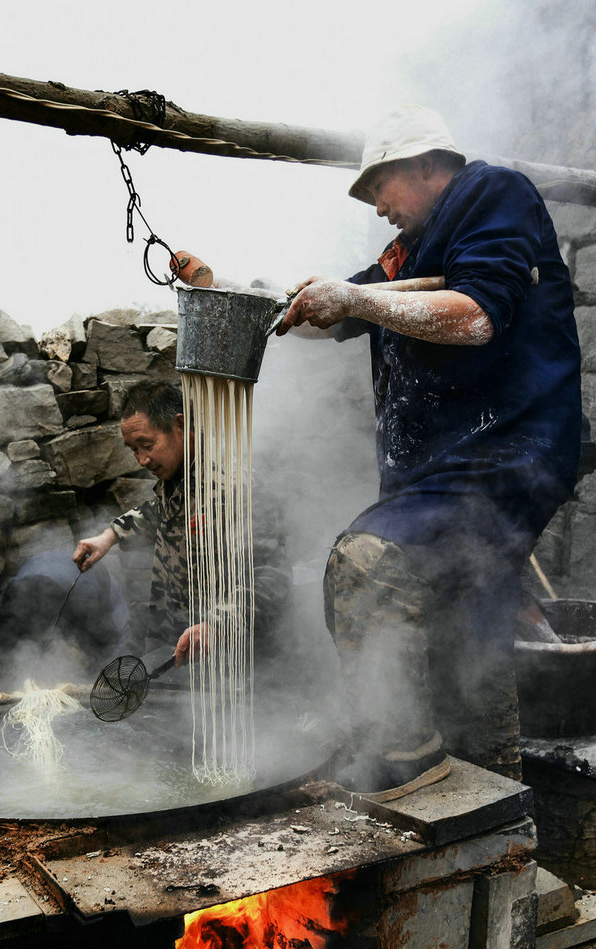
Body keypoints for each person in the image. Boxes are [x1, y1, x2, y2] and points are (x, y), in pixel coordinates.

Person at [278, 104, 581, 799]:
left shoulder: (491, 192)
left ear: (423, 165)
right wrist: (249, 294)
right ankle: (497, 818)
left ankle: (402, 762)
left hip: (507, 449)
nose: (376, 206)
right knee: (466, 643)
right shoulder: (407, 256)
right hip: (445, 472)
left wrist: (359, 299)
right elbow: (330, 314)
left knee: (367, 566)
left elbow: (477, 314)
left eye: (379, 187)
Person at [73, 380, 292, 666]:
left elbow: (271, 577)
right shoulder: (177, 476)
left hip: (240, 662)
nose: (142, 459)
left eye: (147, 445)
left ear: (179, 425)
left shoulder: (239, 486)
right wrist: (110, 535)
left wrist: (217, 625)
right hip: (183, 653)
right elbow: (163, 510)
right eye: (133, 449)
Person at [0, 549, 132, 685]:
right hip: (45, 571)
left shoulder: (87, 598)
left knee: (102, 659)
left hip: (87, 584)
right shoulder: (12, 598)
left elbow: (107, 642)